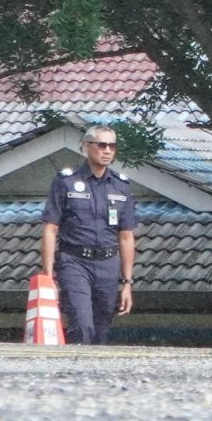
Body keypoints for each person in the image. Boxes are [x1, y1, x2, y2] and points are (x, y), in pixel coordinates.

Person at [39, 124, 138, 345]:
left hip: (108, 265)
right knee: (82, 324)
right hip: (74, 262)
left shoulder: (121, 186)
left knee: (101, 330)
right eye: (101, 145)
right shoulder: (66, 181)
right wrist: (48, 276)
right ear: (86, 146)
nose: (107, 151)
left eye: (112, 146)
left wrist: (127, 283)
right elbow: (50, 228)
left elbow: (126, 236)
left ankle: (92, 367)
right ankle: (77, 365)